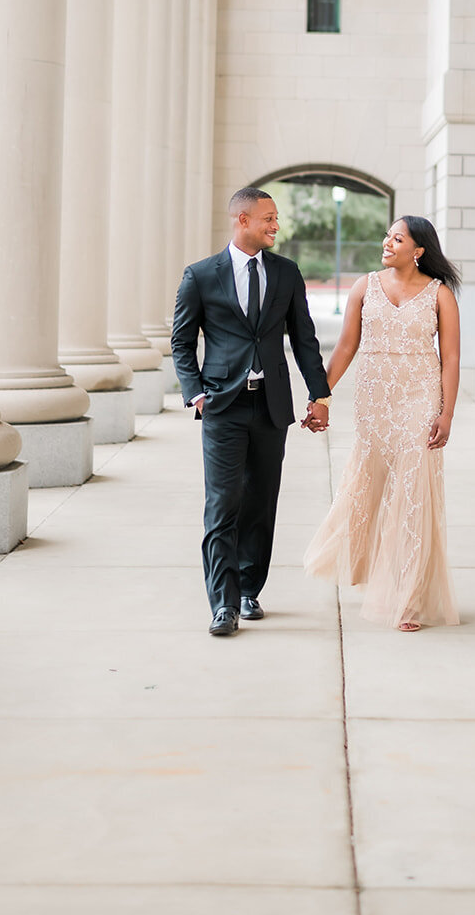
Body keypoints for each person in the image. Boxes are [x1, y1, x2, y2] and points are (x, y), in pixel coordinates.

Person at [171, 187, 332, 637]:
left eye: (276, 218)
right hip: (223, 405)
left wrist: (319, 395)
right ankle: (223, 604)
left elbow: (304, 338)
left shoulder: (286, 273)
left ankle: (248, 590)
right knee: (223, 505)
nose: (275, 225)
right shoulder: (201, 275)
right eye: (268, 218)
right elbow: (182, 342)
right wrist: (195, 392)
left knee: (260, 504)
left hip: (270, 406)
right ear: (242, 220)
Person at [304, 215, 460, 631]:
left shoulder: (439, 295)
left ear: (419, 250)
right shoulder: (364, 286)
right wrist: (321, 396)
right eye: (387, 236)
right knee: (370, 486)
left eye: (397, 238)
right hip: (375, 401)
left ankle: (407, 599)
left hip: (419, 398)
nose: (387, 243)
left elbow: (452, 359)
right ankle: (372, 571)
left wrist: (446, 413)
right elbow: (346, 346)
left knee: (413, 493)